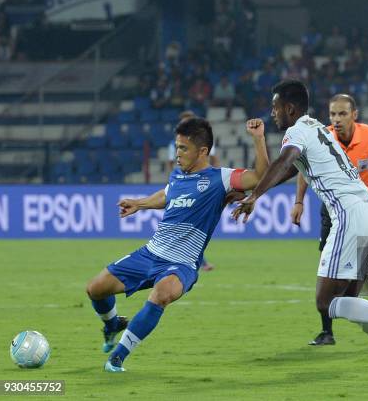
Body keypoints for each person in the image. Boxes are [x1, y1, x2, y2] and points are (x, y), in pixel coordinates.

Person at [233, 79, 368, 369]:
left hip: (350, 216)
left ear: (289, 108)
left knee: (326, 302)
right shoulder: (316, 127)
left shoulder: (296, 131)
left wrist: (256, 195)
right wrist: (257, 190)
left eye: (274, 107)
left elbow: (286, 161)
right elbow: (291, 169)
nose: (272, 113)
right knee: (351, 303)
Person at [86, 116, 268, 372]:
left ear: (202, 151)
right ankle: (112, 324)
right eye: (176, 147)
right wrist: (140, 203)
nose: (177, 153)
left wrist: (258, 139)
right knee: (95, 289)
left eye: (183, 148)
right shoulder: (178, 175)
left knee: (161, 295)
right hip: (150, 253)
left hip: (182, 263)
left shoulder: (221, 179)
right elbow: (167, 194)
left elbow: (260, 175)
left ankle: (118, 356)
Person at [291, 93, 368, 346]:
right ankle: (327, 332)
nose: (337, 119)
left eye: (342, 113)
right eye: (332, 114)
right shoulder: (322, 137)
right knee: (328, 267)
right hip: (334, 209)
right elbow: (303, 167)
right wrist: (299, 201)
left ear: (354, 114)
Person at [168, 110, 219, 271]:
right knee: (187, 225)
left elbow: (214, 159)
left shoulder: (204, 142)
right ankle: (196, 261)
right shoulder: (174, 145)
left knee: (191, 225)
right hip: (183, 184)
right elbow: (171, 164)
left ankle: (194, 260)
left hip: (202, 183)